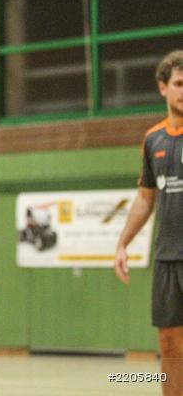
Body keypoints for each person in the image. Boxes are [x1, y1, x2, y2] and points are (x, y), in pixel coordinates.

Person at [114, 50, 183, 396]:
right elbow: (145, 197)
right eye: (179, 84)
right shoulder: (153, 139)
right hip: (166, 257)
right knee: (169, 342)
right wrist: (122, 243)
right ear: (163, 88)